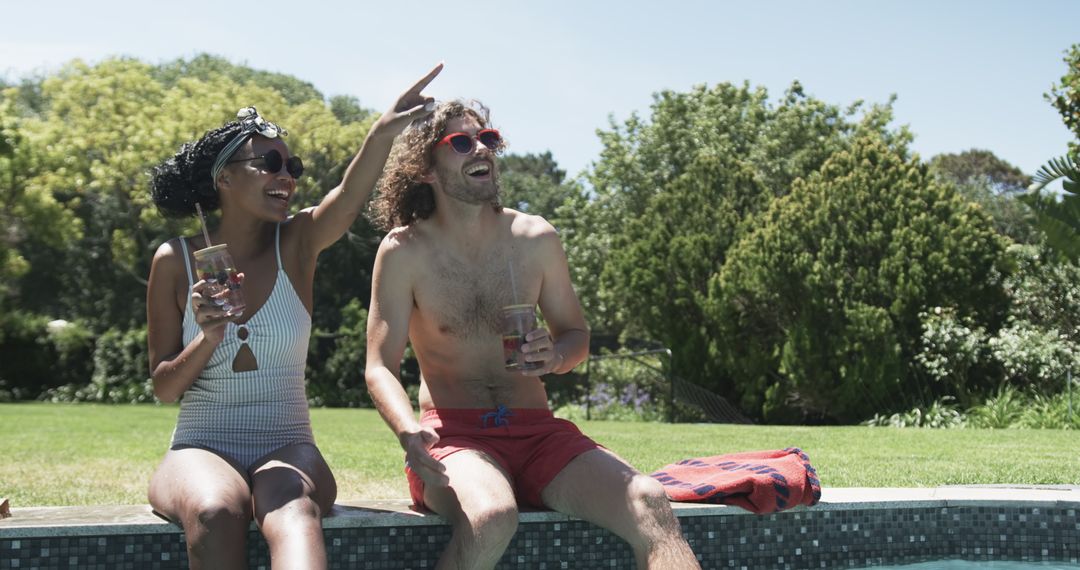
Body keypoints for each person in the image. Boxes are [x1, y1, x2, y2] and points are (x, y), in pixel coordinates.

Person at [365, 100, 702, 569]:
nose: (481, 148)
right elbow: (379, 365)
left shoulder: (535, 238)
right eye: (461, 142)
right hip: (454, 434)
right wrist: (408, 433)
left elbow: (575, 336)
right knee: (492, 516)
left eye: (488, 139)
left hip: (539, 431)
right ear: (425, 169)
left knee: (648, 501)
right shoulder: (404, 251)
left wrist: (555, 355)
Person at [145, 65, 441, 569]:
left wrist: (383, 131)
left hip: (288, 443)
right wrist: (209, 336)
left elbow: (347, 199)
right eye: (271, 162)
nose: (288, 176)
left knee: (290, 504)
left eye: (292, 166)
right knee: (217, 510)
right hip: (199, 444)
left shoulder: (298, 244)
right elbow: (165, 388)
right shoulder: (174, 260)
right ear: (224, 177)